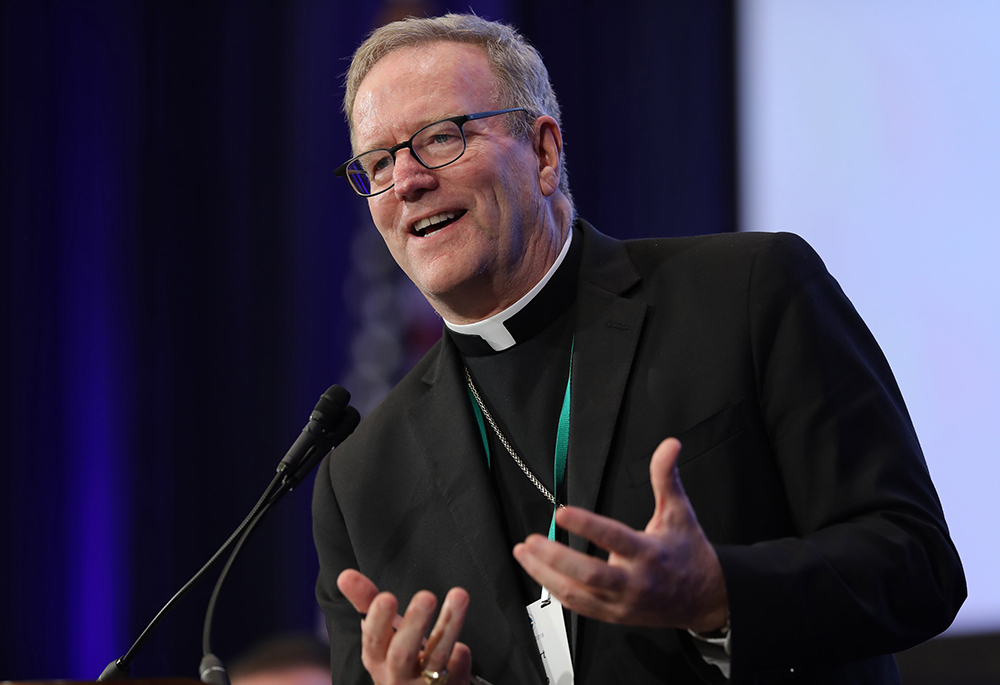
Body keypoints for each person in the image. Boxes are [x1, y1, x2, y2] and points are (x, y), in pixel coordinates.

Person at [312, 13, 965, 685]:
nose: (408, 180)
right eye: (378, 163)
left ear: (542, 152)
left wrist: (719, 596)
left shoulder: (744, 294)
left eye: (441, 138)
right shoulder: (361, 478)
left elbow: (917, 564)